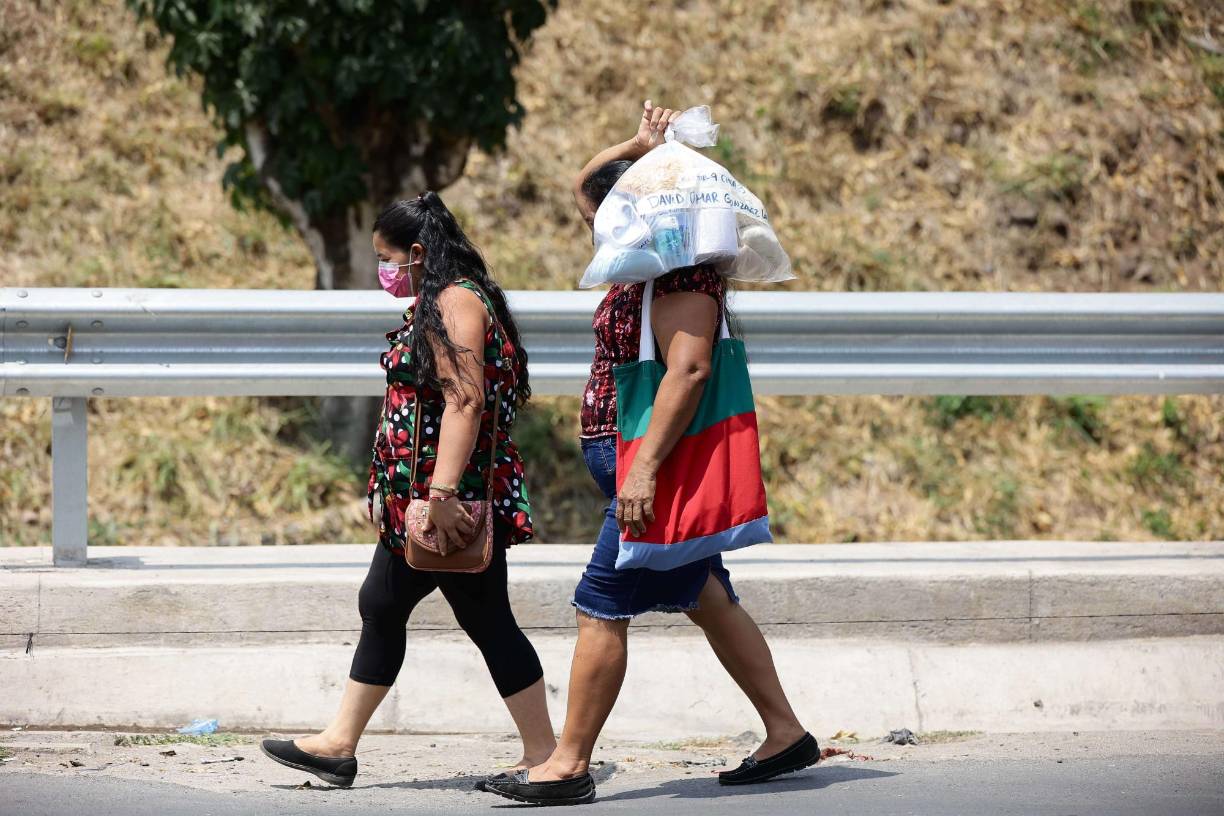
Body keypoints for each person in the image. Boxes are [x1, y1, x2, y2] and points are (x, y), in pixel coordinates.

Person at [483, 102, 818, 806]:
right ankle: (786, 732)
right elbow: (586, 192)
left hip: (649, 467)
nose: (625, 205)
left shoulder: (684, 278)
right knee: (707, 595)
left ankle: (568, 763)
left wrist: (641, 470)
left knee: (600, 602)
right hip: (632, 460)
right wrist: (639, 145)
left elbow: (689, 372)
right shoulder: (638, 263)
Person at [261, 192, 555, 789]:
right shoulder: (442, 299)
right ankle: (340, 743)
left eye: (387, 258)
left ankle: (545, 754)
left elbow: (465, 400)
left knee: (483, 618)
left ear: (418, 253)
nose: (384, 271)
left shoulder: (456, 301)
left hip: (444, 501)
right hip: (419, 499)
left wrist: (442, 495)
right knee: (386, 604)